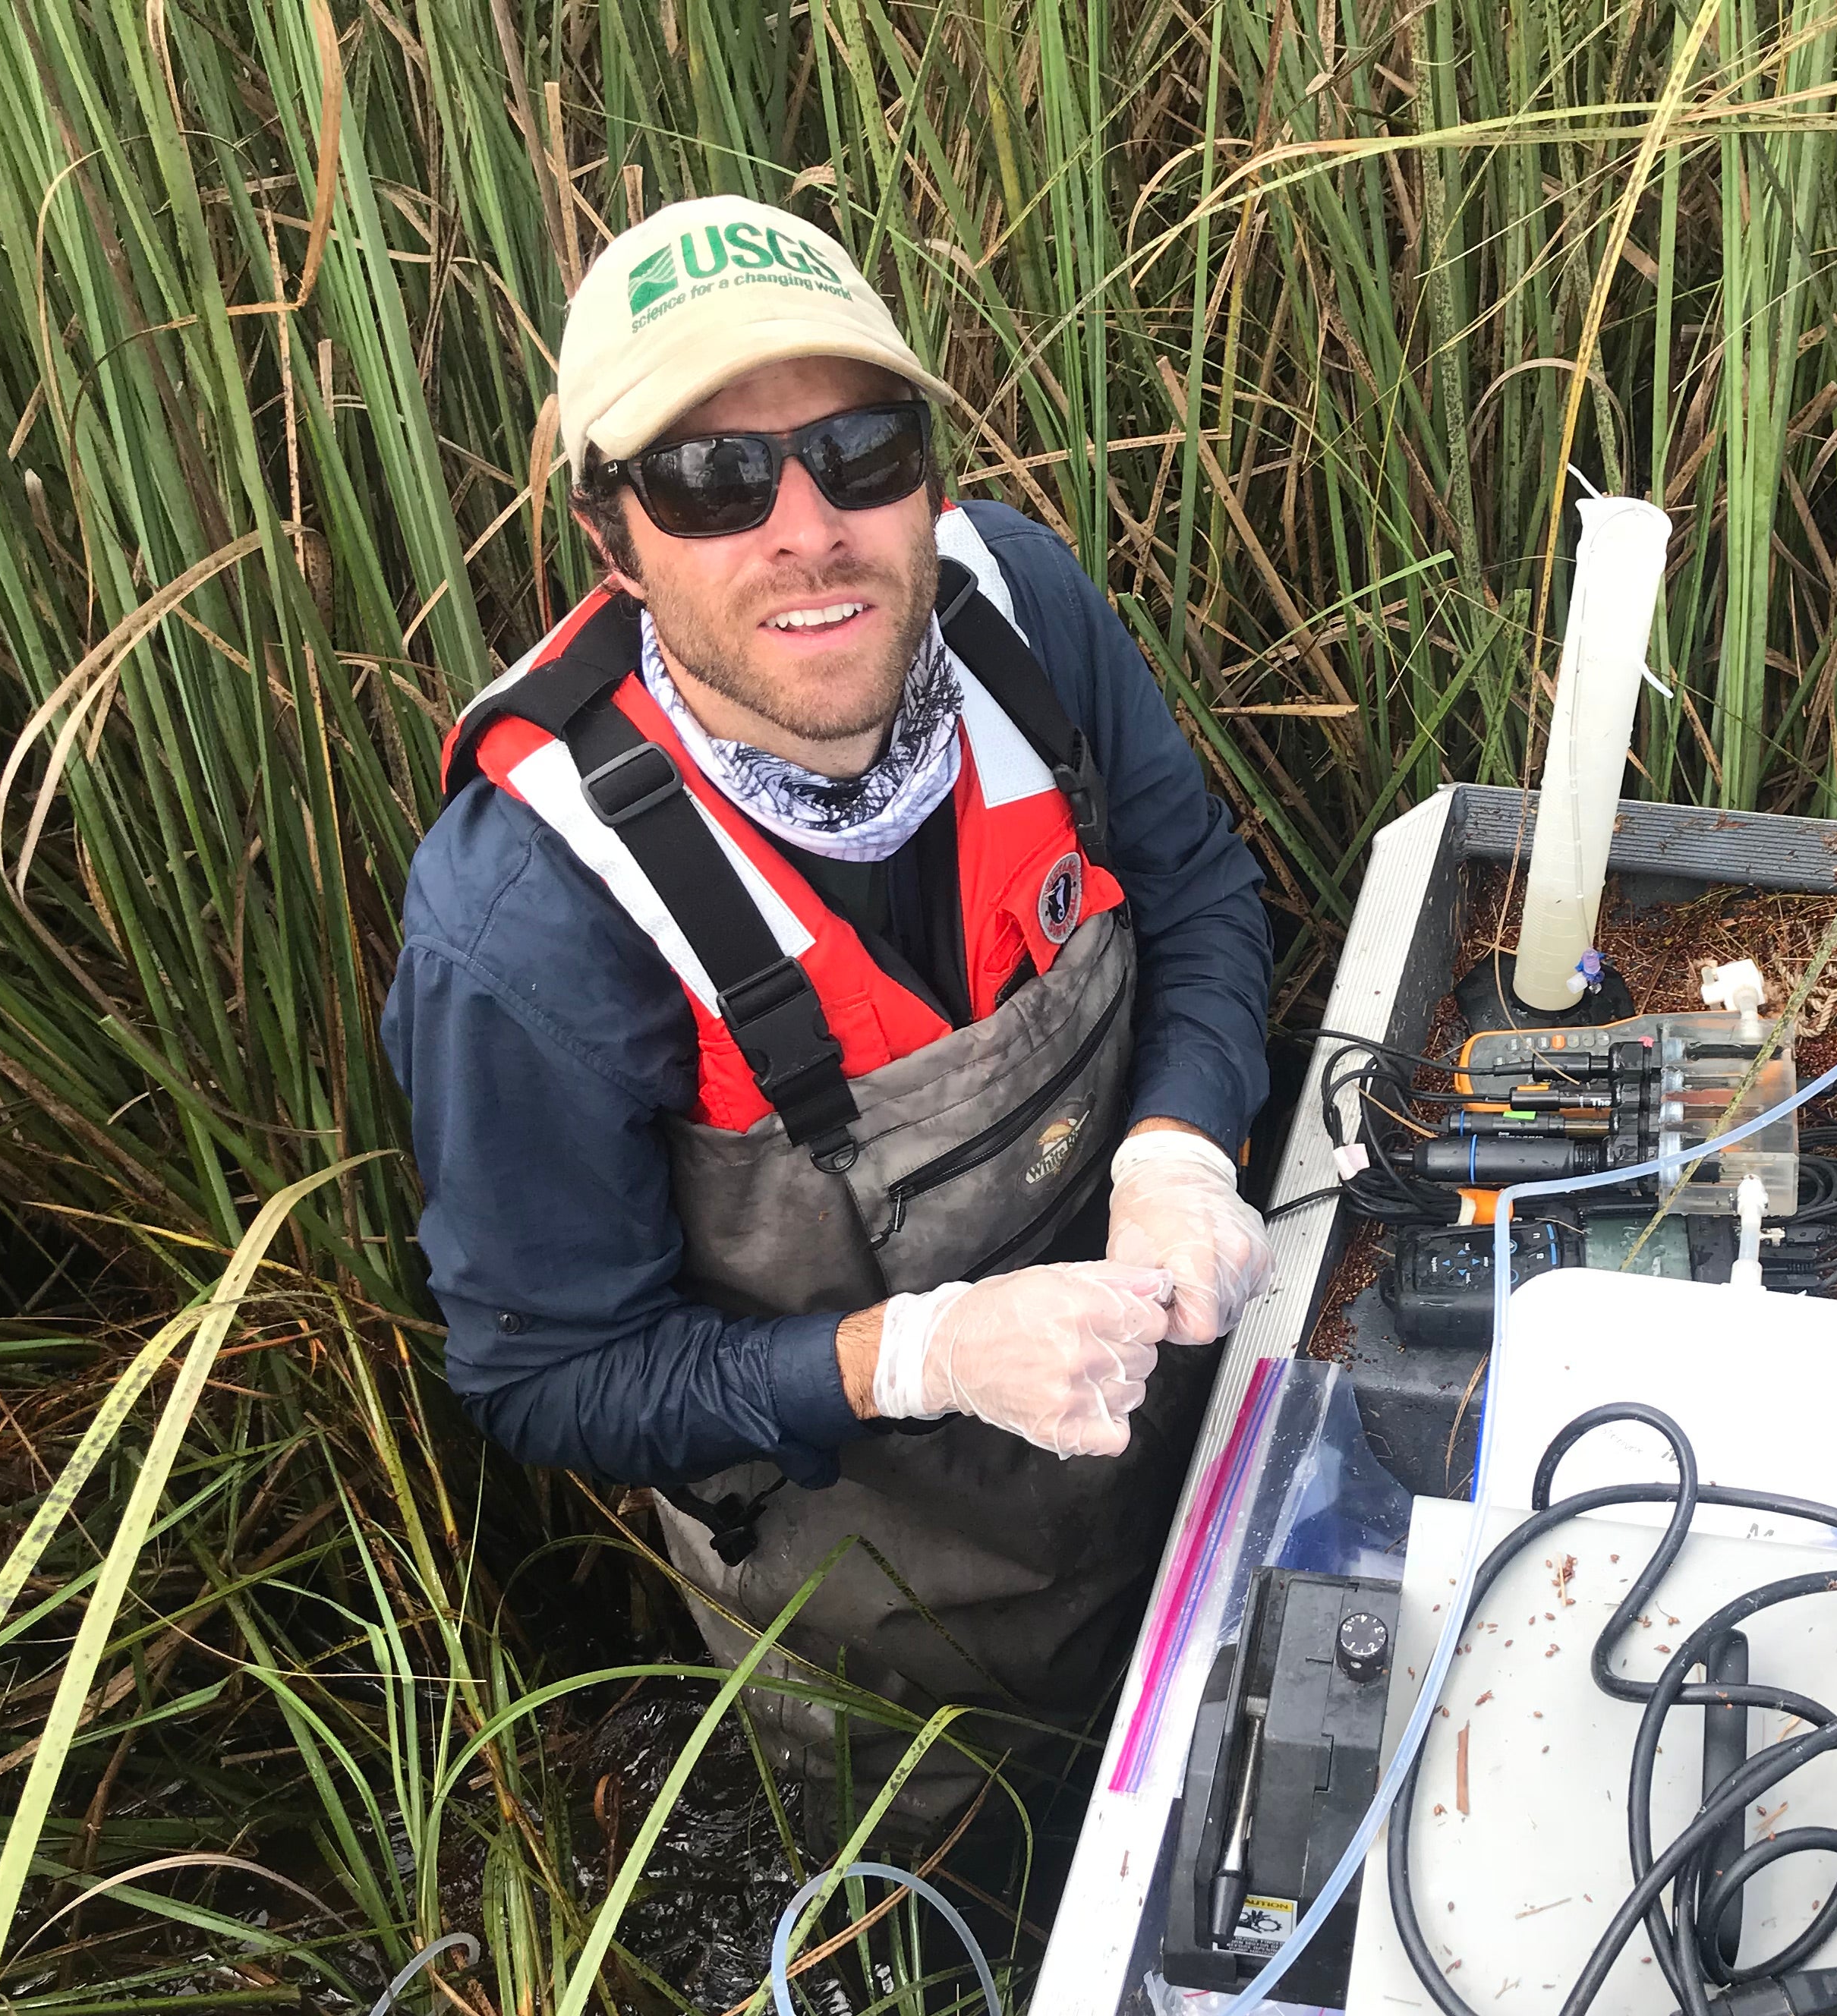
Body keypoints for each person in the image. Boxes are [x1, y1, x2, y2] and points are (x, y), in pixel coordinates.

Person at [382, 195, 1274, 1782]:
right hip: (881, 1654)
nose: (810, 528)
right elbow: (550, 1377)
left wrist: (1180, 1145)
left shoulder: (1024, 612)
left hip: (1180, 1486)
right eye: (713, 477)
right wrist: (919, 1358)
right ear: (610, 533)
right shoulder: (527, 915)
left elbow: (1196, 886)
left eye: (862, 450)